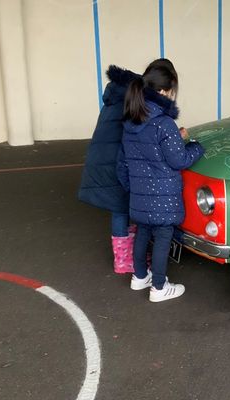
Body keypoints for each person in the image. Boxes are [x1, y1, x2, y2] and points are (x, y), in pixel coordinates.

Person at [117, 60, 204, 302]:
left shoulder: (130, 120)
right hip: (163, 198)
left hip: (139, 196)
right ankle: (158, 287)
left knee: (143, 231)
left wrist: (134, 189)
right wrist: (196, 147)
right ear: (164, 92)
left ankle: (139, 276)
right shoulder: (164, 123)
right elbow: (179, 160)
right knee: (163, 237)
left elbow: (122, 164)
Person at [78, 60, 177, 274]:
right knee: (120, 208)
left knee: (122, 207)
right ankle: (123, 260)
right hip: (113, 159)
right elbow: (142, 132)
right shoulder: (137, 97)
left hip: (104, 155)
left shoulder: (126, 91)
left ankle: (128, 252)